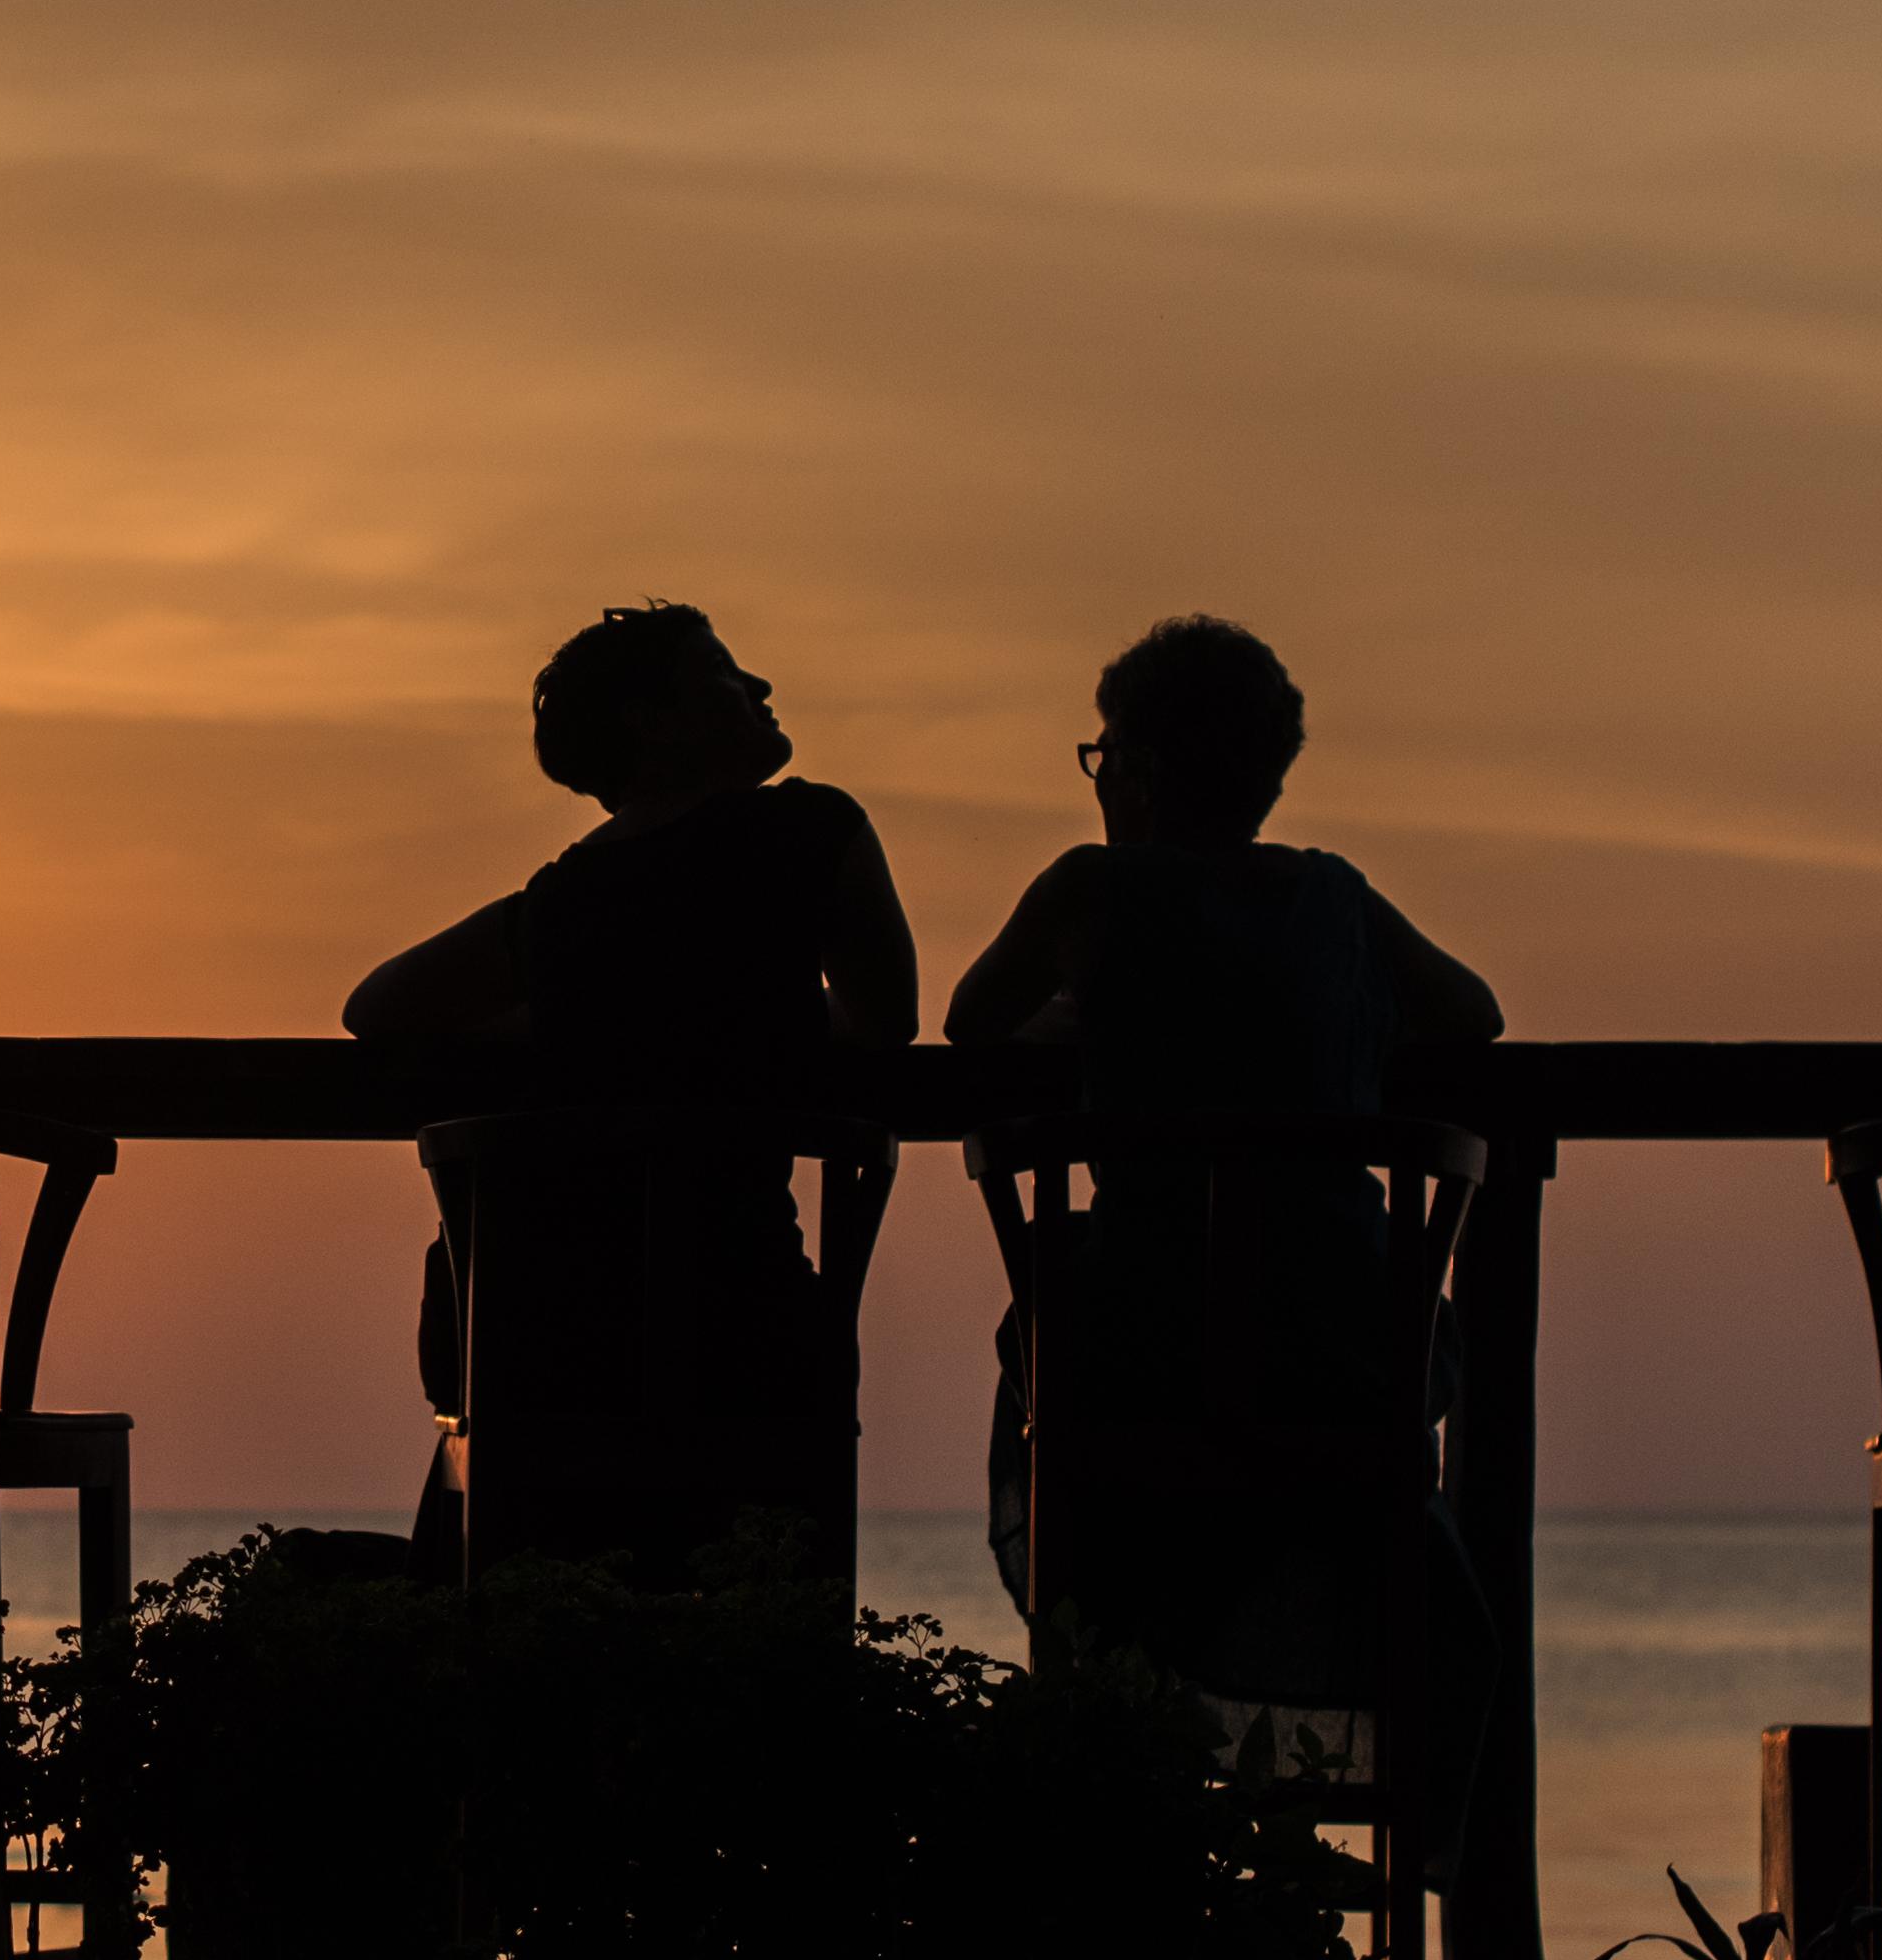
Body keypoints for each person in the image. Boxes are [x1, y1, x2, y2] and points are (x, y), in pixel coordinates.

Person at [942, 616, 1500, 1715]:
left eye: (1104, 756)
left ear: (1139, 772)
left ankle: (1104, 1673)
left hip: (1142, 1356)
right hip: (1345, 1357)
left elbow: (971, 1023)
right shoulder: (1334, 899)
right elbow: (1470, 1019)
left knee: (1051, 1316)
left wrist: (1088, 1008)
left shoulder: (1089, 892)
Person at [344, 602, 913, 1584]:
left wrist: (575, 1016)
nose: (761, 690)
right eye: (728, 676)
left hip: (536, 1336)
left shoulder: (562, 899)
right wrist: (757, 1010)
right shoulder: (809, 830)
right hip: (741, 1323)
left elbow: (378, 1007)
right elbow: (883, 1020)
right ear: (656, 720)